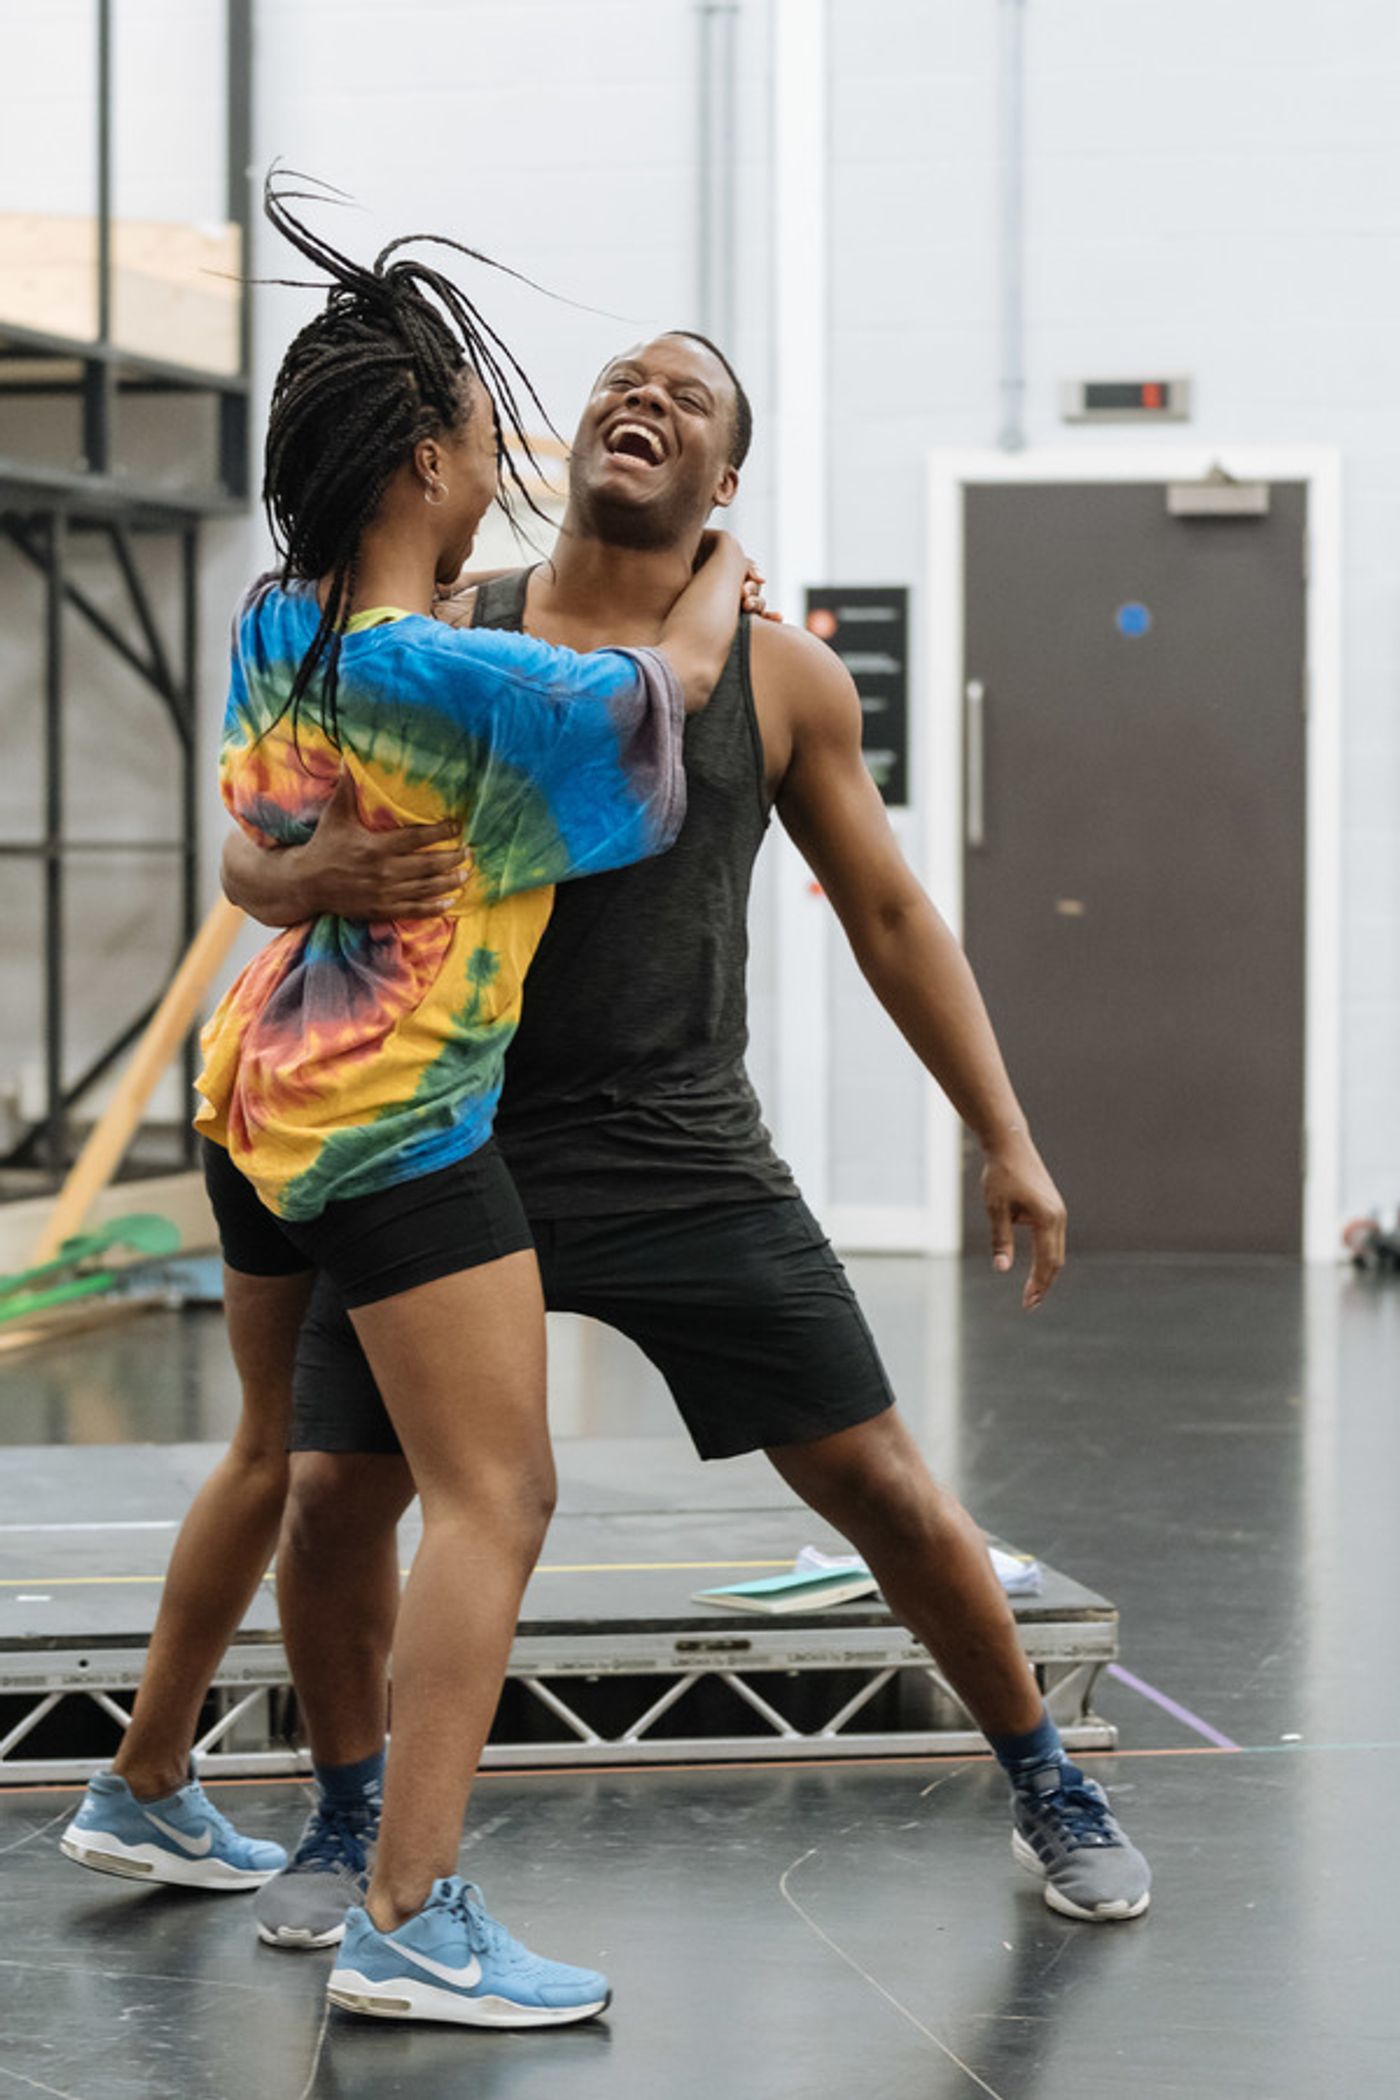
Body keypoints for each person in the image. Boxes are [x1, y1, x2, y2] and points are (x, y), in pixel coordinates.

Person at [227, 329, 1152, 1941]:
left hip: (675, 1141)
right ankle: (349, 1814)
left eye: (689, 396)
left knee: (875, 1479)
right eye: (619, 382)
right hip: (452, 1135)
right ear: (567, 438)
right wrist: (298, 883)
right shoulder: (451, 628)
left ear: (723, 482)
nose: (641, 398)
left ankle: (1046, 1776)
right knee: (331, 1496)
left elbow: (886, 908)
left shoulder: (777, 675)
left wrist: (1005, 1134)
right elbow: (265, 848)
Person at [62, 186, 754, 2032]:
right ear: (433, 455)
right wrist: (711, 591)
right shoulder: (474, 678)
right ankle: (411, 1910)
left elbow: (265, 835)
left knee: (279, 1455)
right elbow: (671, 697)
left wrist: (287, 883)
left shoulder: (281, 625)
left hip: (251, 1095)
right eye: (476, 440)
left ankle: (143, 1790)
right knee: (496, 1490)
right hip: (391, 1123)